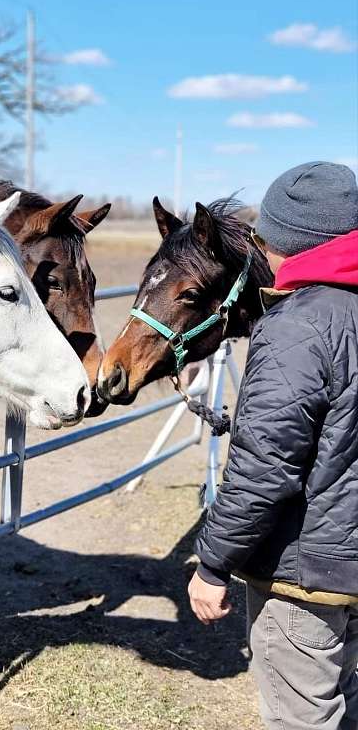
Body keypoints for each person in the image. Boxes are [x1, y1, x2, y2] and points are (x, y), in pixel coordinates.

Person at [188, 161, 358, 730]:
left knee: (302, 716)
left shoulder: (298, 326)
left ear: (289, 243)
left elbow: (265, 467)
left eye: (265, 238)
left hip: (305, 572)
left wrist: (212, 565)